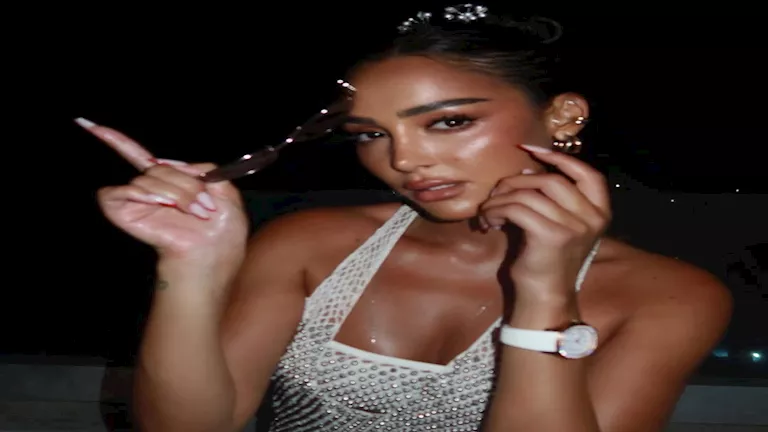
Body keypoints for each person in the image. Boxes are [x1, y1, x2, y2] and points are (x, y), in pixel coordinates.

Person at [84, 4, 732, 431]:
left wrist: (544, 297)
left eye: (448, 122)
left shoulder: (669, 296)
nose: (403, 160)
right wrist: (192, 270)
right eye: (371, 134)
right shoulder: (313, 245)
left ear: (563, 116)